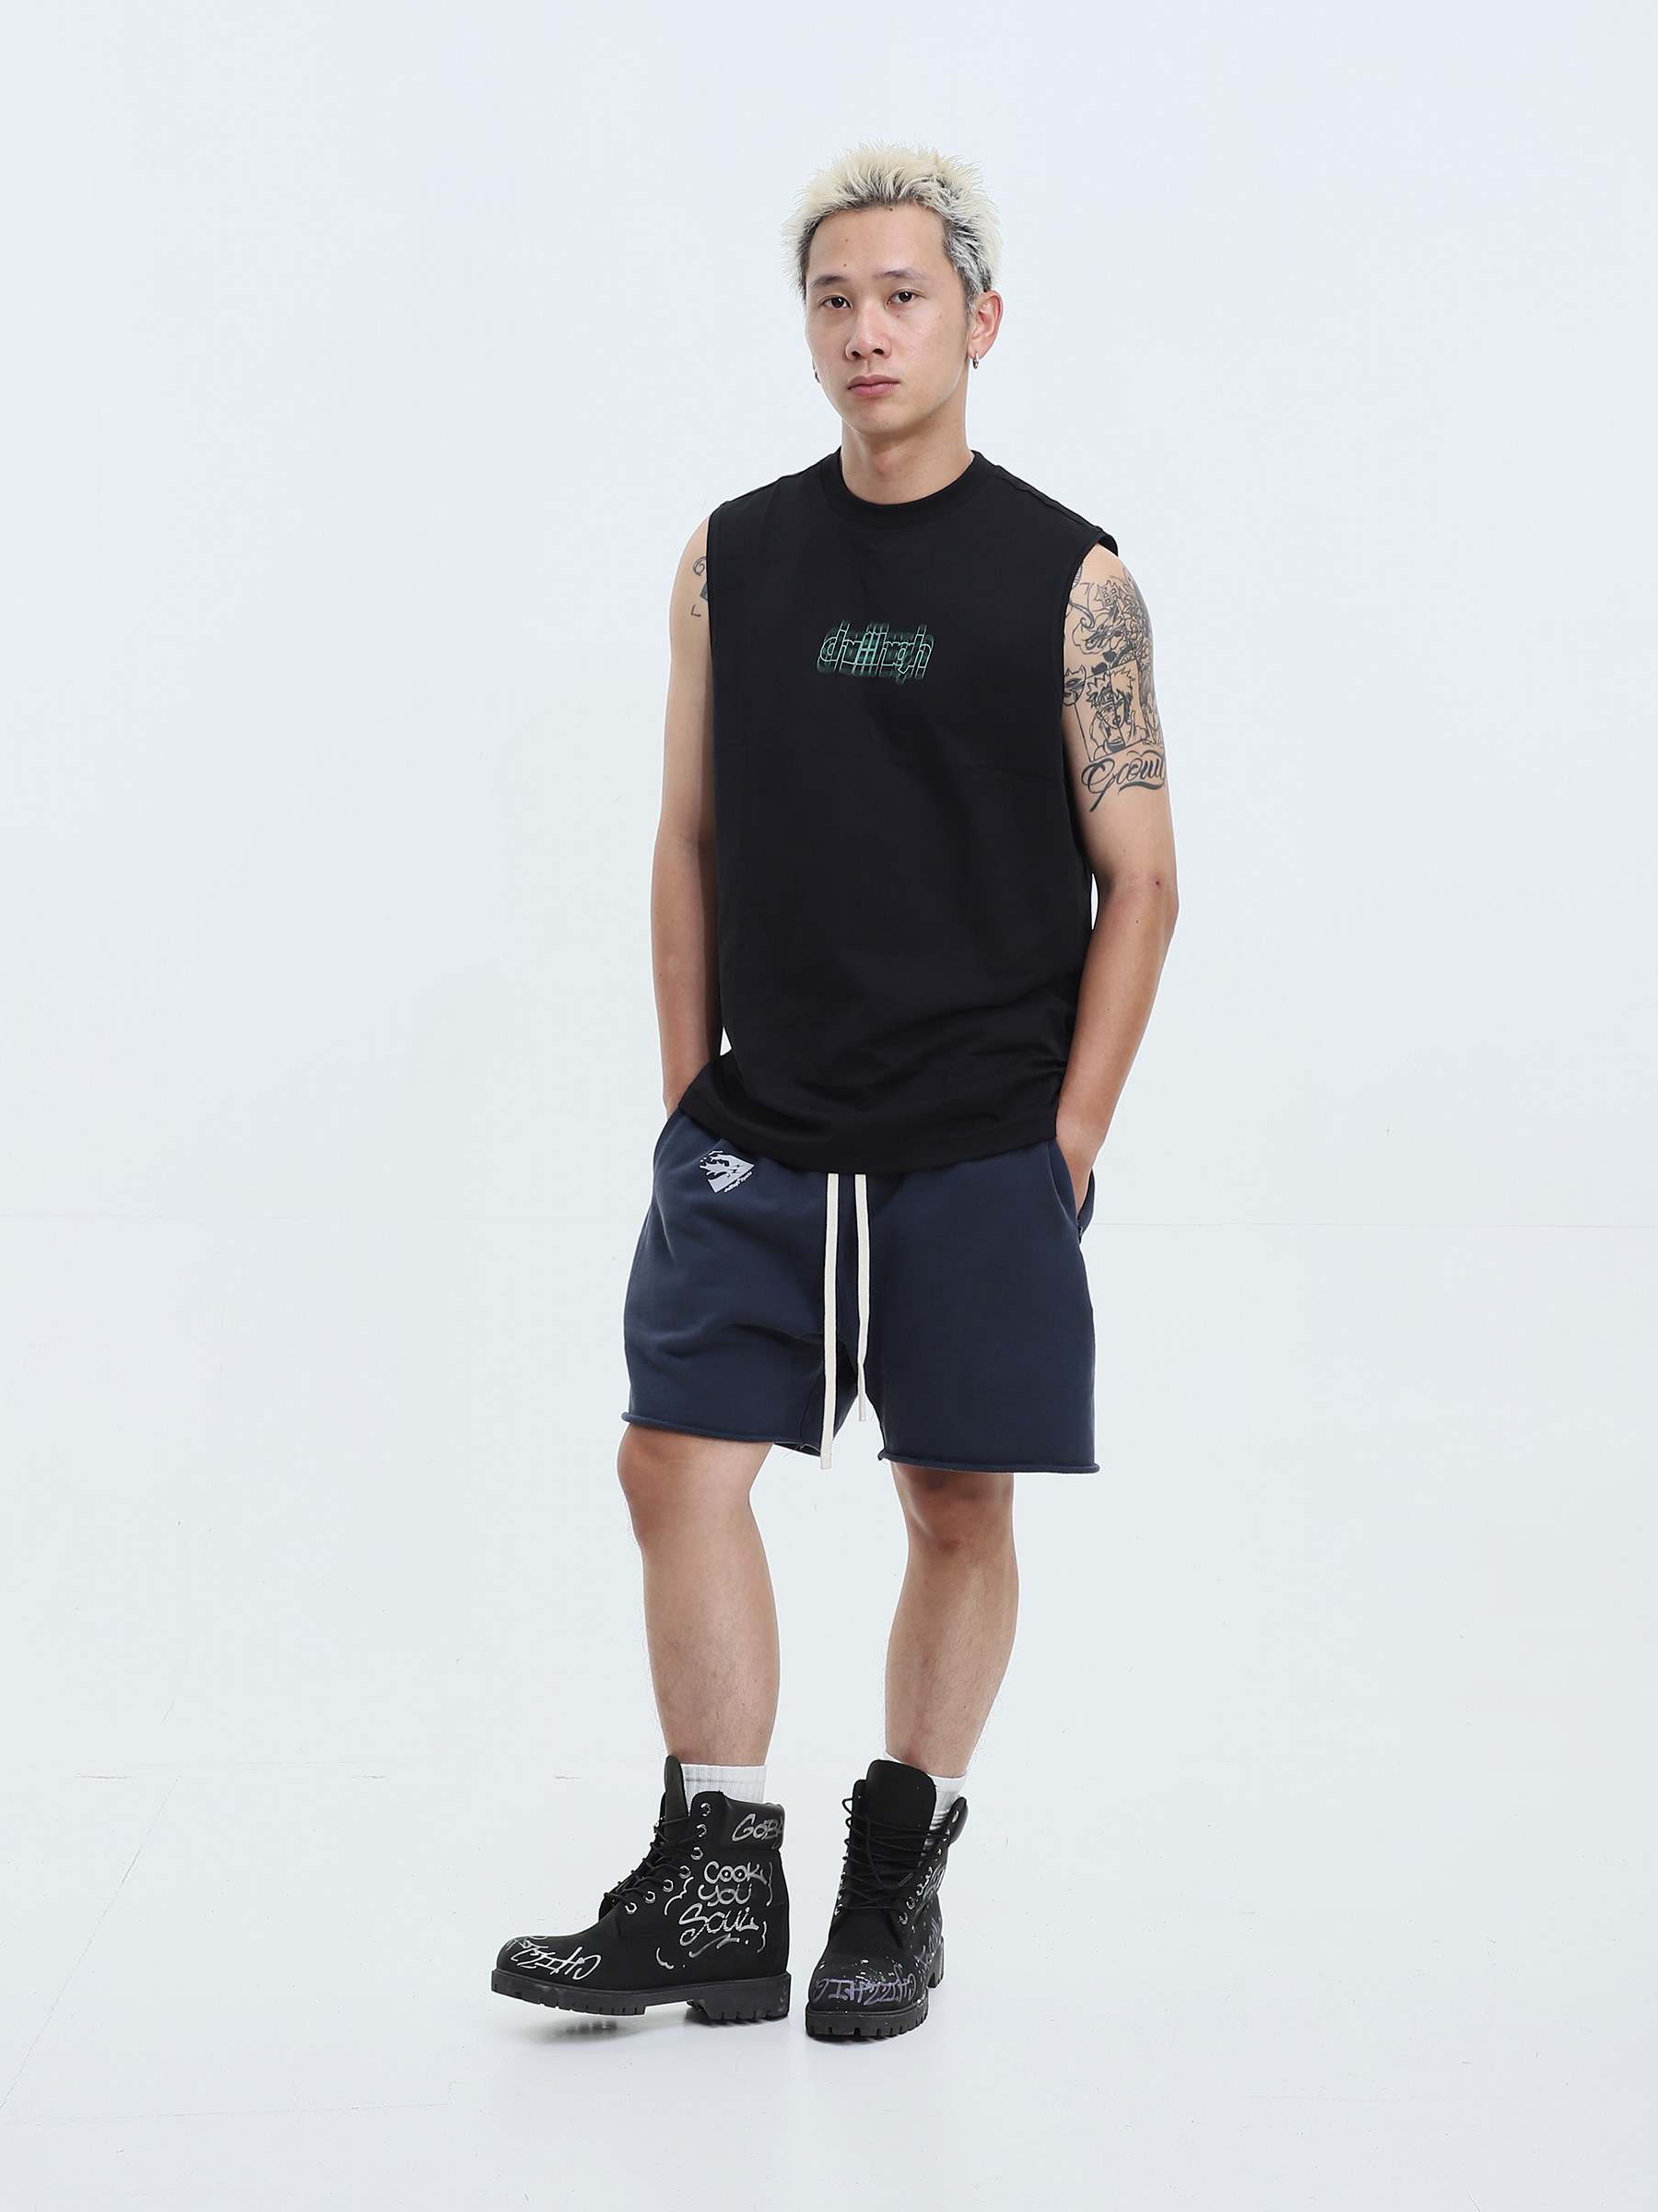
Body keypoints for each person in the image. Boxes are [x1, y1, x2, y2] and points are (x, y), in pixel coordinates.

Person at [493, 143, 1177, 2041]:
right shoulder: (735, 556)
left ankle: (898, 1867)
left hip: (977, 1136)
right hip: (762, 1129)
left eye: (902, 296)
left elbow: (1144, 880)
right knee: (672, 1463)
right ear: (805, 331)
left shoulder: (1074, 580)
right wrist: (683, 1099)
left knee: (954, 1501)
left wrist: (1071, 1140)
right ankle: (719, 1880)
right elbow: (688, 837)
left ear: (979, 320)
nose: (868, 330)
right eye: (834, 300)